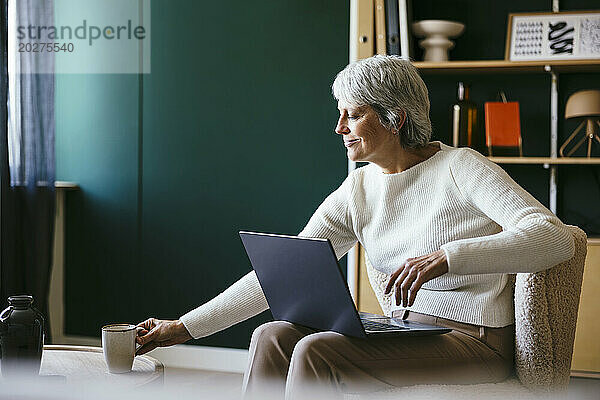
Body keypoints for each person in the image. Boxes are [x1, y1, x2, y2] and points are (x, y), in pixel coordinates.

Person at [135, 55, 574, 399]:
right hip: (407, 333)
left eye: (353, 115)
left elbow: (553, 237)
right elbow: (277, 279)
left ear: (395, 118)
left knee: (315, 349)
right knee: (272, 334)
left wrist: (449, 257)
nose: (339, 127)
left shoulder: (461, 167)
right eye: (340, 114)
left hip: (475, 344)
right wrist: (182, 327)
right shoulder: (359, 187)